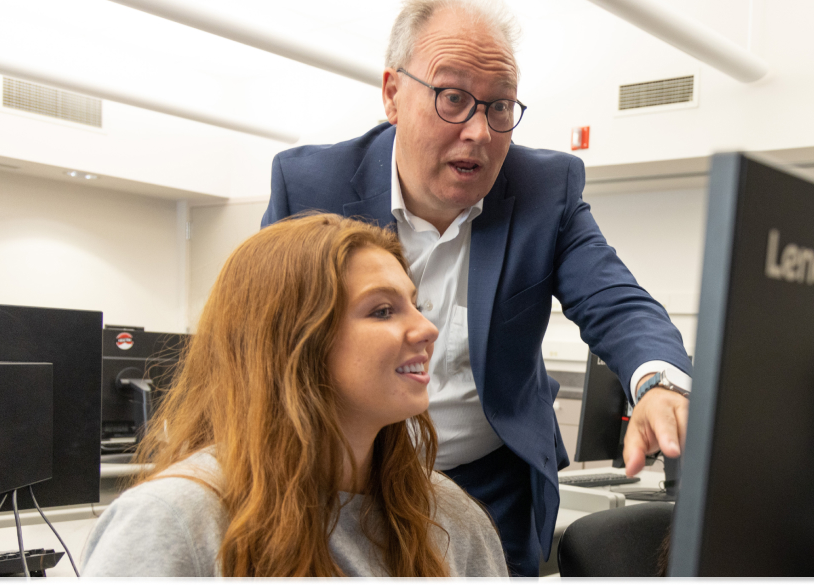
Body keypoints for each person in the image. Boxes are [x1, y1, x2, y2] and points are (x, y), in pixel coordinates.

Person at [260, 0, 692, 575]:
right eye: (453, 98)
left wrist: (660, 383)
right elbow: (259, 337)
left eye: (498, 107)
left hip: (490, 486)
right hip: (338, 474)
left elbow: (618, 303)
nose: (479, 133)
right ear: (391, 93)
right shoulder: (311, 187)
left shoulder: (544, 191)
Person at [81, 214, 508, 577]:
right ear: (293, 343)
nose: (427, 329)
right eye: (382, 310)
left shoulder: (449, 515)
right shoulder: (174, 520)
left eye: (415, 306)